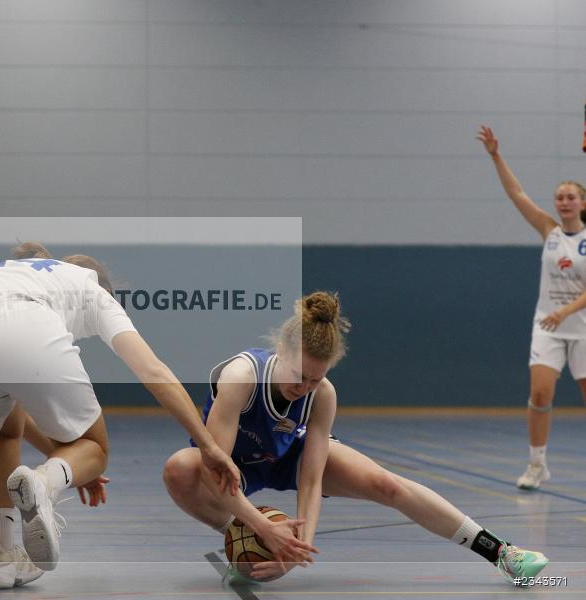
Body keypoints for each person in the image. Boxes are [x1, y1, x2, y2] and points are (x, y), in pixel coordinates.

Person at [0, 242, 297, 589]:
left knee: (2, 432)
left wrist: (70, 464)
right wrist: (207, 445)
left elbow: (18, 421)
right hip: (26, 328)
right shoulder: (93, 292)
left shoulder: (16, 271)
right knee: (96, 446)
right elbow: (154, 372)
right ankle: (44, 485)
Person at [163, 292, 549, 585]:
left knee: (387, 484)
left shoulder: (322, 394)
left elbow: (311, 480)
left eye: (316, 378)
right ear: (280, 351)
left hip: (284, 456)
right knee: (180, 469)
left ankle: (501, 553)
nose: (305, 386)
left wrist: (299, 548)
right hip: (231, 465)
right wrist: (262, 530)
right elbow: (218, 471)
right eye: (298, 375)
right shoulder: (242, 377)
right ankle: (239, 539)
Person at [477, 126, 586, 490]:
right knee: (540, 393)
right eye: (559, 197)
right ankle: (537, 464)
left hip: (580, 324)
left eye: (570, 197)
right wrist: (496, 155)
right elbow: (517, 193)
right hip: (548, 325)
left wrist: (567, 311)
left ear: (582, 203)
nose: (564, 202)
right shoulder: (549, 230)